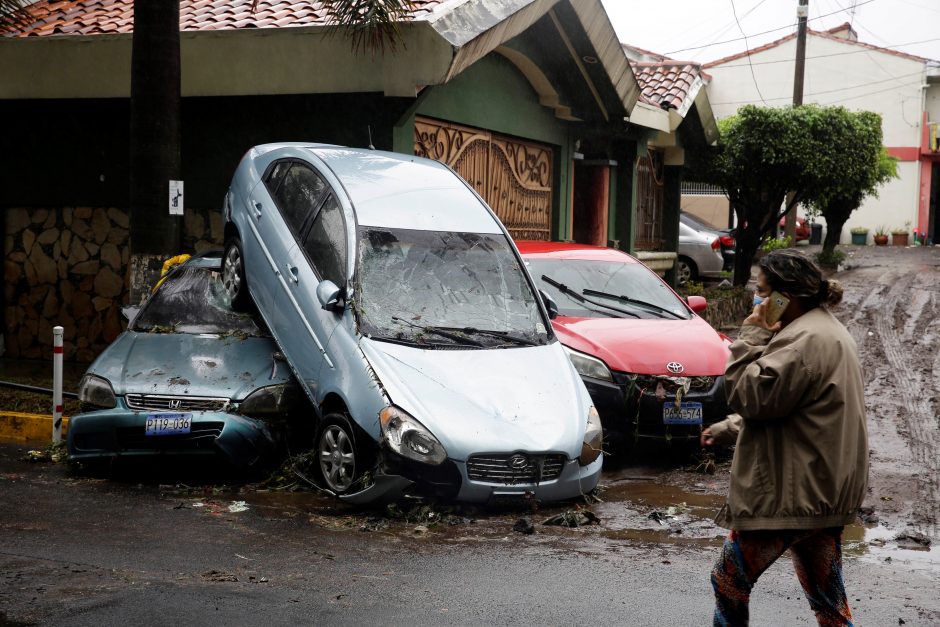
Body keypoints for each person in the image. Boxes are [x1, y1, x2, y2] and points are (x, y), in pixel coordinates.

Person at [701, 248, 868, 627]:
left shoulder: (801, 341)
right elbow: (793, 411)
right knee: (828, 602)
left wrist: (753, 333)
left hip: (791, 495)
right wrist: (728, 430)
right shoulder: (821, 331)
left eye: (762, 292)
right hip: (819, 490)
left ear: (784, 297)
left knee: (728, 581)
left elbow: (746, 394)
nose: (756, 301)